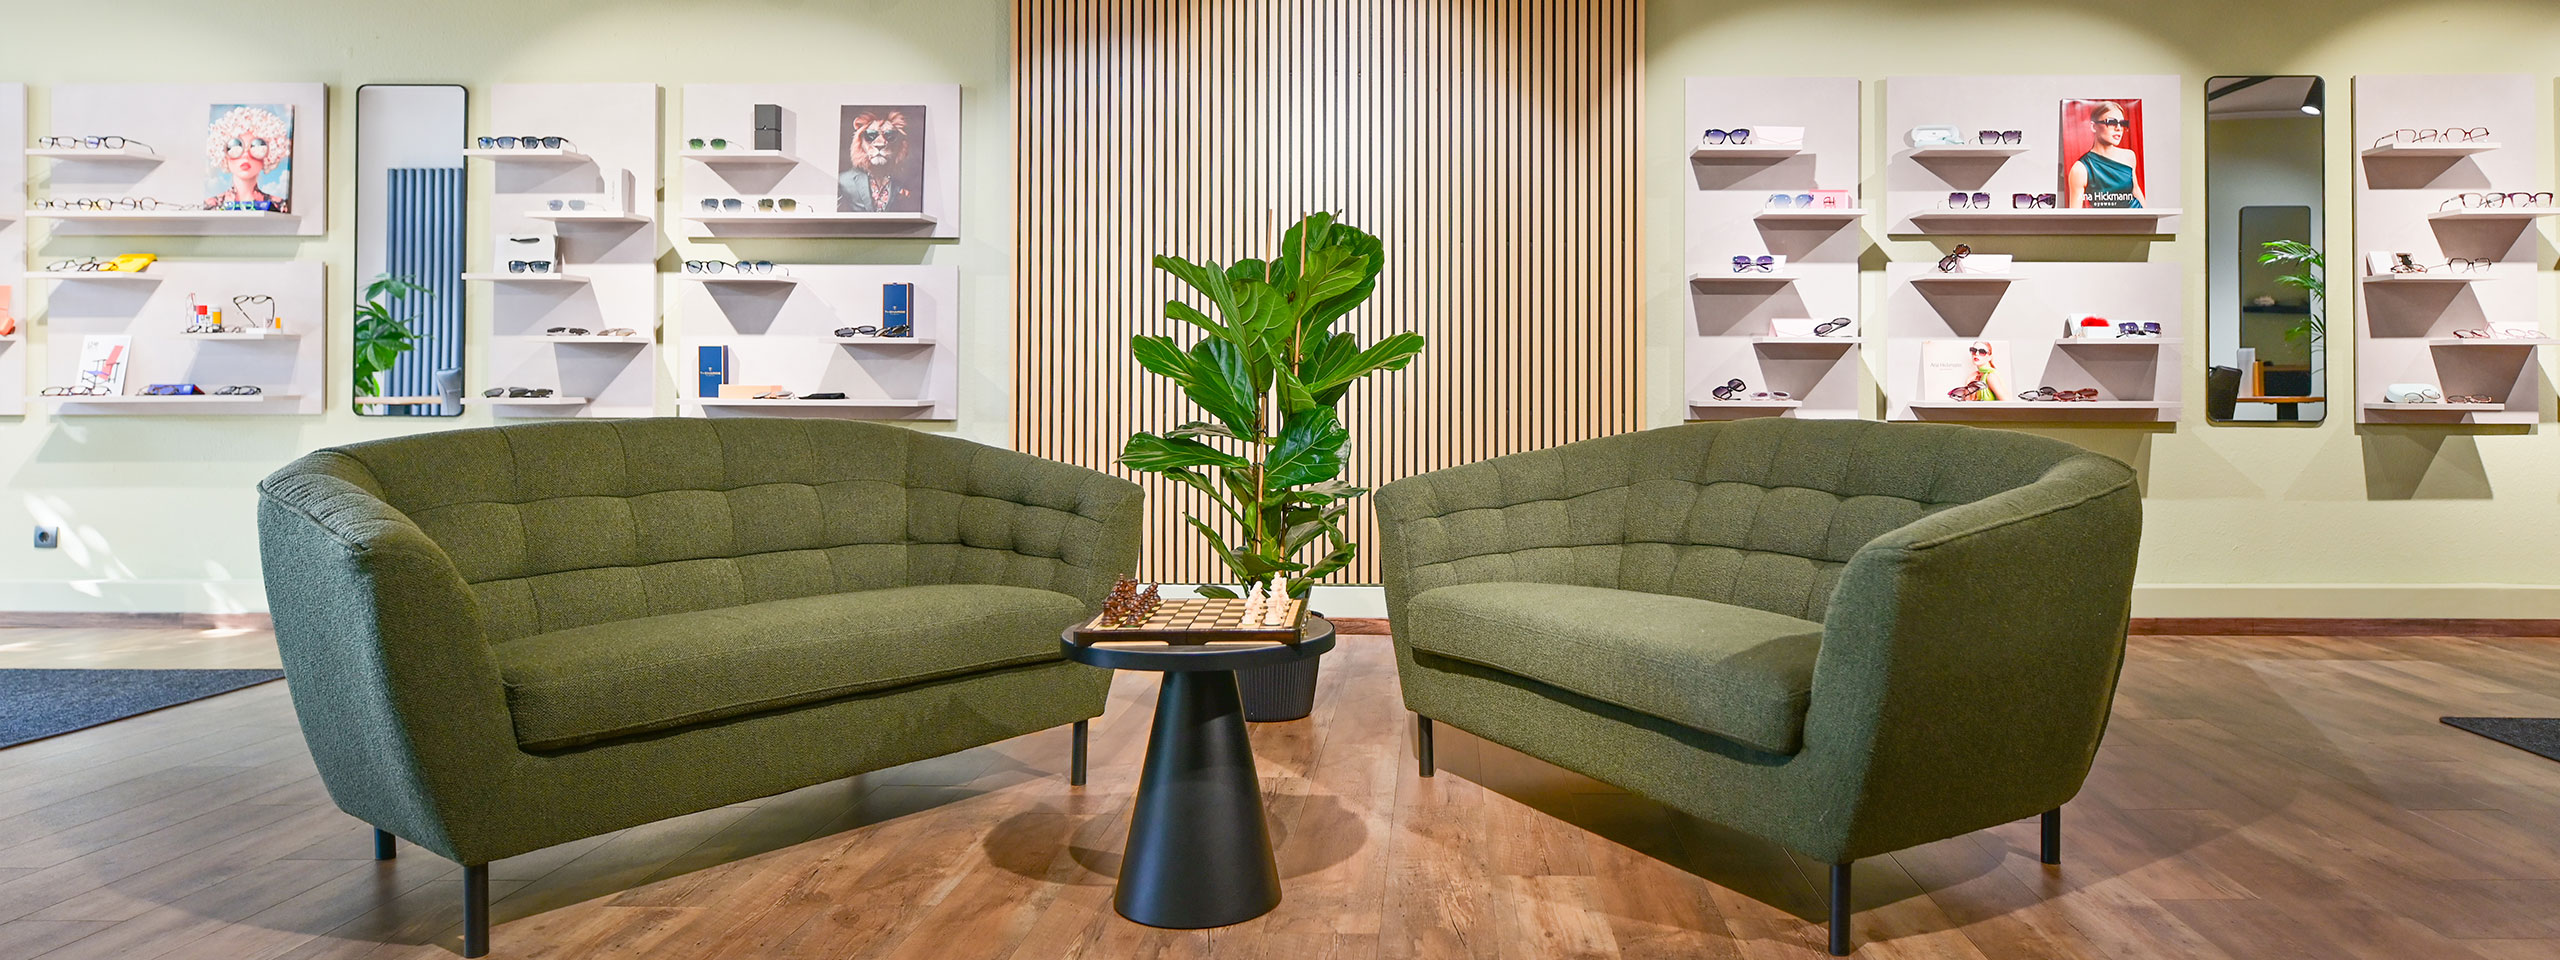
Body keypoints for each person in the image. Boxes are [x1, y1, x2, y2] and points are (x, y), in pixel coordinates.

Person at [204, 106, 292, 213]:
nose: (246, 155)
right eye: (235, 146)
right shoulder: (211, 206)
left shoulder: (279, 206)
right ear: (223, 154)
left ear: (269, 154)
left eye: (257, 146)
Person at [2064, 101, 2143, 209]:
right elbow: (2074, 215)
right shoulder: (2080, 169)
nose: (2119, 128)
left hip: (2136, 216)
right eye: (2111, 122)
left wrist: (2149, 216)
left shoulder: (2129, 156)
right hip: (2107, 220)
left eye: (2122, 123)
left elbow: (2136, 191)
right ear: (2093, 126)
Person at [838, 109, 921, 213]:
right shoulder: (843, 181)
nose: (880, 143)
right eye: (870, 135)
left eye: (889, 135)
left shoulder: (908, 180)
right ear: (860, 141)